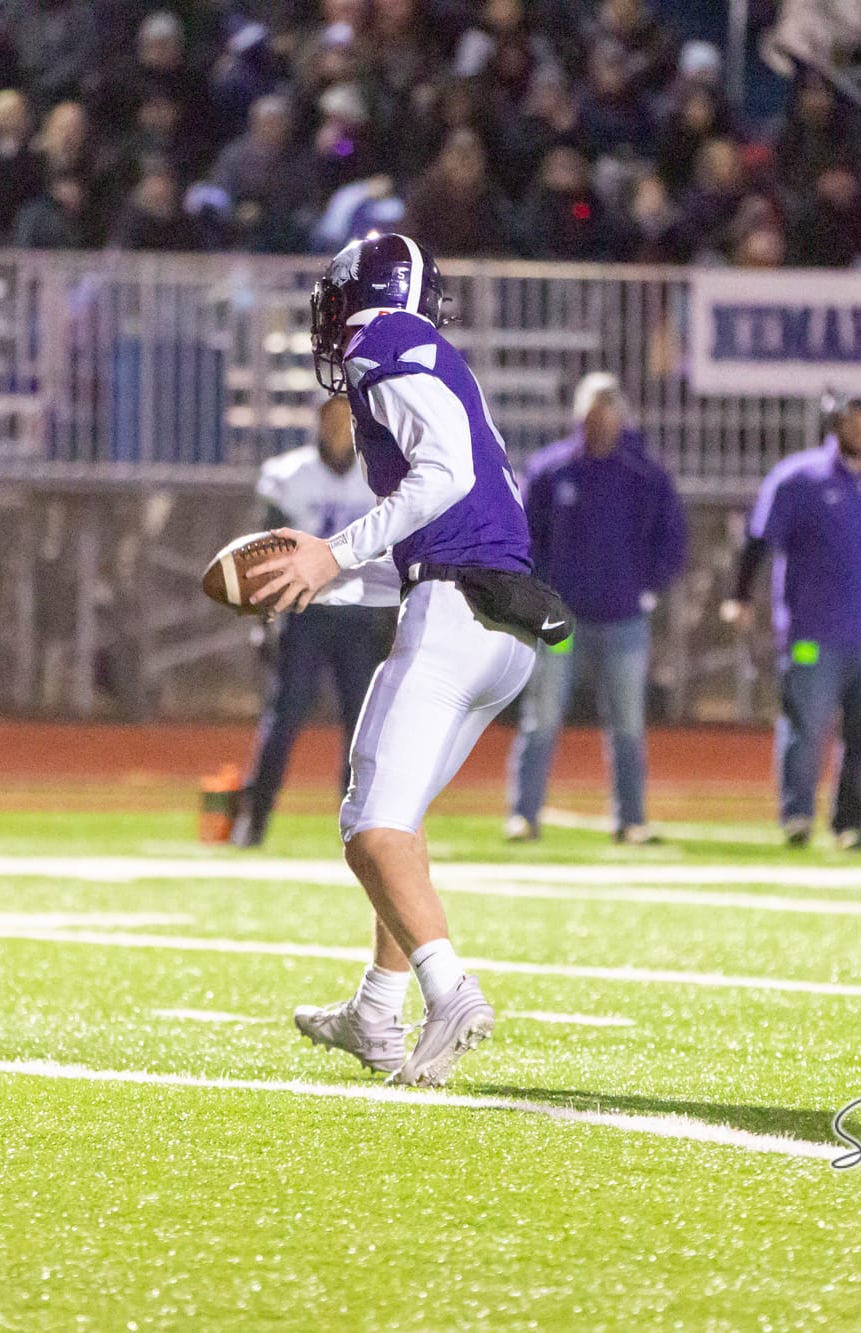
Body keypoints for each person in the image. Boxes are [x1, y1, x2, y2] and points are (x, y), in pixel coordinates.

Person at [252, 232, 564, 1087]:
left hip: (456, 618)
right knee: (402, 819)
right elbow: (438, 538)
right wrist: (327, 581)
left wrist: (331, 549)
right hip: (499, 622)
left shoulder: (379, 338)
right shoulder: (430, 359)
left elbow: (445, 476)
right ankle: (377, 1010)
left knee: (370, 826)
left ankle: (451, 991)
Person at [722, 401, 861, 851]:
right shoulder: (798, 478)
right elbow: (758, 542)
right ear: (834, 425)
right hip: (813, 630)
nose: (859, 428)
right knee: (805, 726)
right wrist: (740, 597)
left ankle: (850, 821)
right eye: (850, 419)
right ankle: (798, 815)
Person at [505, 373, 687, 845]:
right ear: (578, 416)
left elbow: (672, 538)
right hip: (560, 619)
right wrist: (538, 591)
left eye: (607, 413)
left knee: (627, 723)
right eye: (592, 413)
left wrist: (647, 586)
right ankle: (523, 814)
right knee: (542, 716)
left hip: (624, 617)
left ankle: (631, 819)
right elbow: (524, 537)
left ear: (621, 417)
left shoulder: (644, 475)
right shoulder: (550, 471)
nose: (599, 423)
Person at [230, 397, 394, 849]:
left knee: (362, 727)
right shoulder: (289, 475)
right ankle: (255, 818)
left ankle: (358, 829)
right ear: (319, 420)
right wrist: (265, 616)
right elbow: (267, 554)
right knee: (284, 719)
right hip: (306, 612)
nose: (340, 426)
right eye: (333, 416)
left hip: (360, 614)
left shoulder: (377, 476)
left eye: (347, 416)